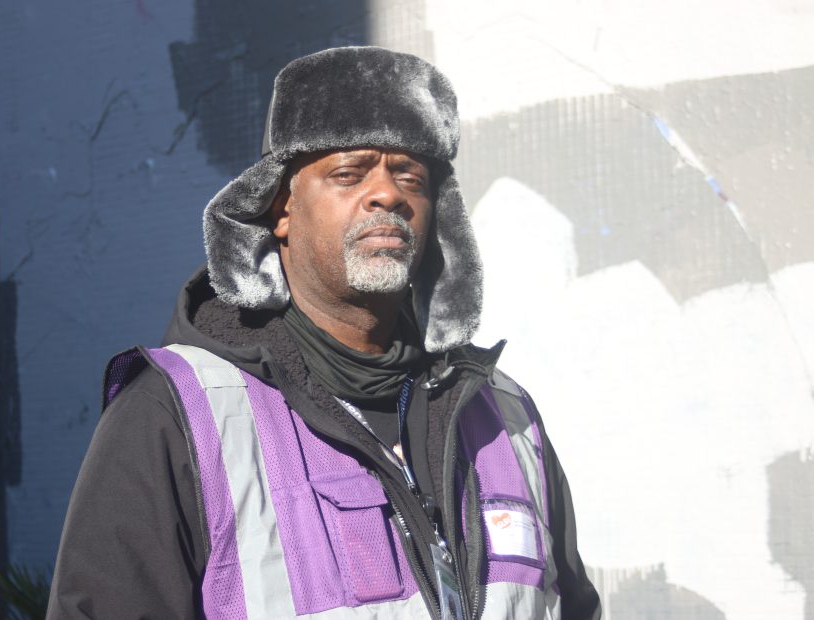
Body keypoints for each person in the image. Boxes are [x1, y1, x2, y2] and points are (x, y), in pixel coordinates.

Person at [48, 46, 601, 619]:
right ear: (279, 208)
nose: (387, 193)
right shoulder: (175, 414)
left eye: (409, 174)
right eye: (348, 172)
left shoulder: (506, 416)